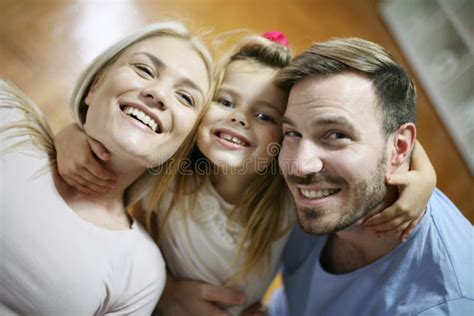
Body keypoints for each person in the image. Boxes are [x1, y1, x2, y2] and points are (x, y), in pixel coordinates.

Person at [53, 32, 437, 316]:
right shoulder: (173, 171)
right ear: (201, 109)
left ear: (286, 133)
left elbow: (377, 131)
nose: (239, 117)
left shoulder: (286, 195)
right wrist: (72, 134)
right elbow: (117, 138)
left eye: (264, 115)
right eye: (225, 101)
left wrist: (424, 177)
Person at [0, 21, 213, 315]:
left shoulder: (142, 270)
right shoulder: (6, 115)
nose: (159, 94)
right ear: (96, 85)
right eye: (144, 69)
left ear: (183, 146)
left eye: (186, 98)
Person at [268, 37, 474, 315]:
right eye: (293, 132)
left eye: (337, 135)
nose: (300, 166)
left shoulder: (441, 304)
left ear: (400, 147)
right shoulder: (292, 175)